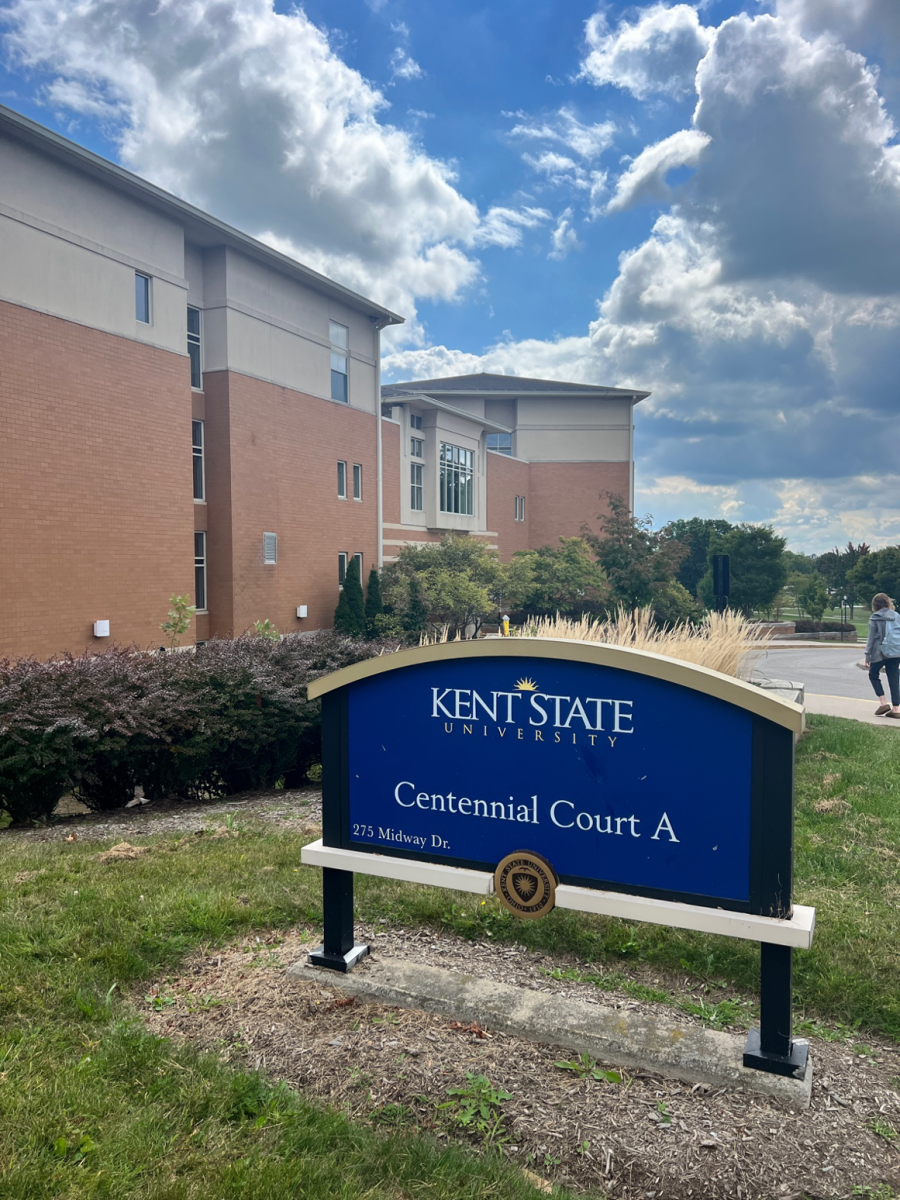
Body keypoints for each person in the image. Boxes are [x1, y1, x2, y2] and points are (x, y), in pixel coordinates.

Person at [864, 593, 900, 717]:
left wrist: (867, 656)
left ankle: (883, 703)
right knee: (894, 678)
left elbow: (871, 639)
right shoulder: (896, 616)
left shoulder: (875, 617)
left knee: (873, 674)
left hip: (879, 652)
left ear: (875, 604)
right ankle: (896, 709)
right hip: (895, 651)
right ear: (888, 602)